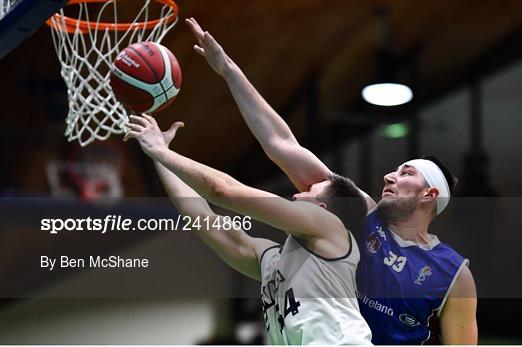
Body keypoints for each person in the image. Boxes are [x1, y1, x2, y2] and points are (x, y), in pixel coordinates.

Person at [185, 17, 477, 345]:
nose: (389, 176)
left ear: (429, 194)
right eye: (395, 170)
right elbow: (282, 144)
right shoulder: (360, 211)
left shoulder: (454, 273)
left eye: (406, 173)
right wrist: (228, 69)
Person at [124, 114, 372, 345]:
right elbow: (203, 218)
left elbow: (223, 189)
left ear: (323, 208)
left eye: (309, 191)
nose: (297, 194)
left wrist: (159, 150)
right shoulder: (273, 261)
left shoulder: (331, 227)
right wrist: (160, 155)